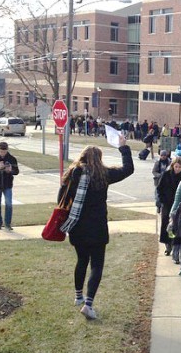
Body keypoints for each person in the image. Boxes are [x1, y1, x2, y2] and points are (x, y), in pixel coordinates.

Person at [57, 135, 134, 320]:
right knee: (97, 265)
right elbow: (128, 169)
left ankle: (78, 297)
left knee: (81, 260)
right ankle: (88, 304)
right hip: (97, 228)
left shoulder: (72, 174)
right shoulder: (104, 175)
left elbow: (60, 197)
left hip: (76, 226)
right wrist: (123, 147)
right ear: (99, 159)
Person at [157, 156, 181, 256]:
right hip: (167, 203)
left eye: (179, 167)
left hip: (179, 204)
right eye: (176, 166)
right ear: (173, 166)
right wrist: (162, 200)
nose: (177, 169)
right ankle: (168, 245)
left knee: (176, 225)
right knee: (166, 223)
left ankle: (175, 244)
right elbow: (159, 188)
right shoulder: (166, 175)